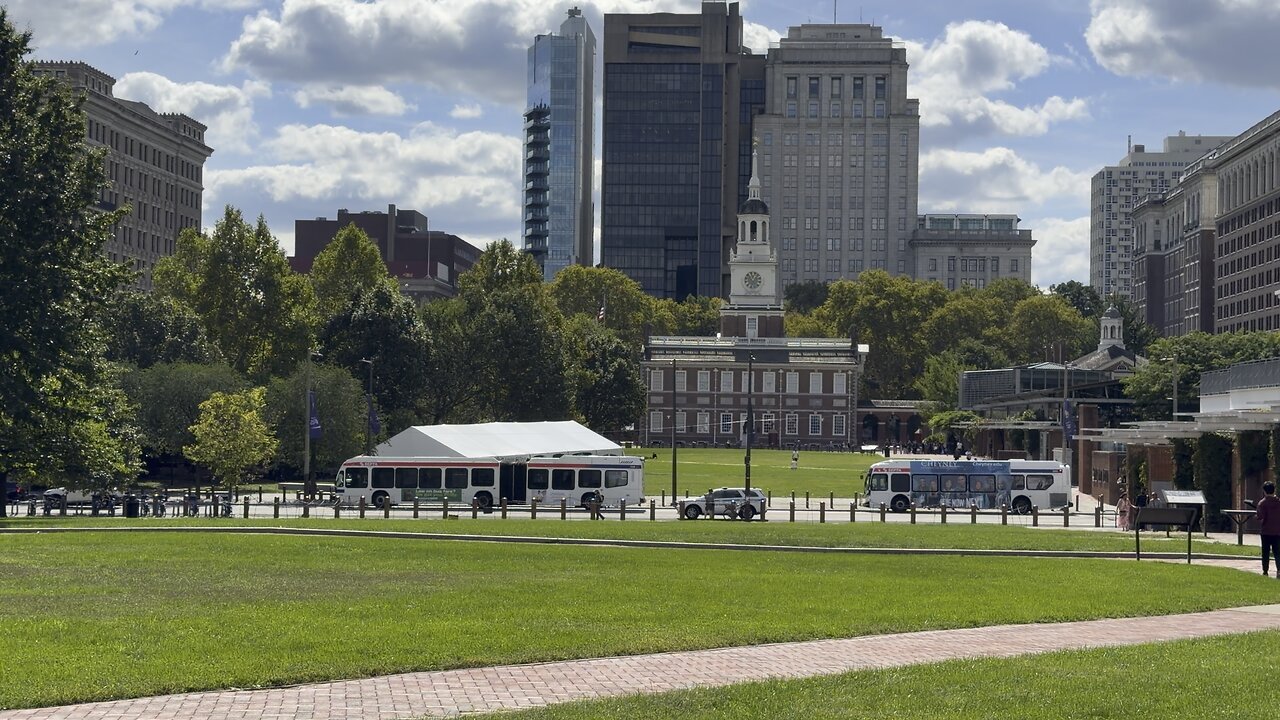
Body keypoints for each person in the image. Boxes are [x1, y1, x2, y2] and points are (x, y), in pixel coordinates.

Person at [1258, 481, 1280, 578]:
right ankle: (1279, 570)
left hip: (1266, 531)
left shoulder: (1262, 503)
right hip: (1278, 531)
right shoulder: (1278, 502)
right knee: (1278, 552)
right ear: (1274, 490)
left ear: (1264, 491)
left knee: (1265, 552)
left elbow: (1260, 516)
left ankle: (1265, 571)